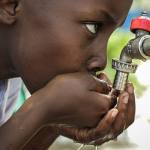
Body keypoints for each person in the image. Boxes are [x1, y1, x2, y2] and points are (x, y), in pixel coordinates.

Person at [0, 0, 135, 149]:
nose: (102, 60)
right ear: (10, 5)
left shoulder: (10, 82)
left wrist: (52, 123)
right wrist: (40, 108)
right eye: (93, 26)